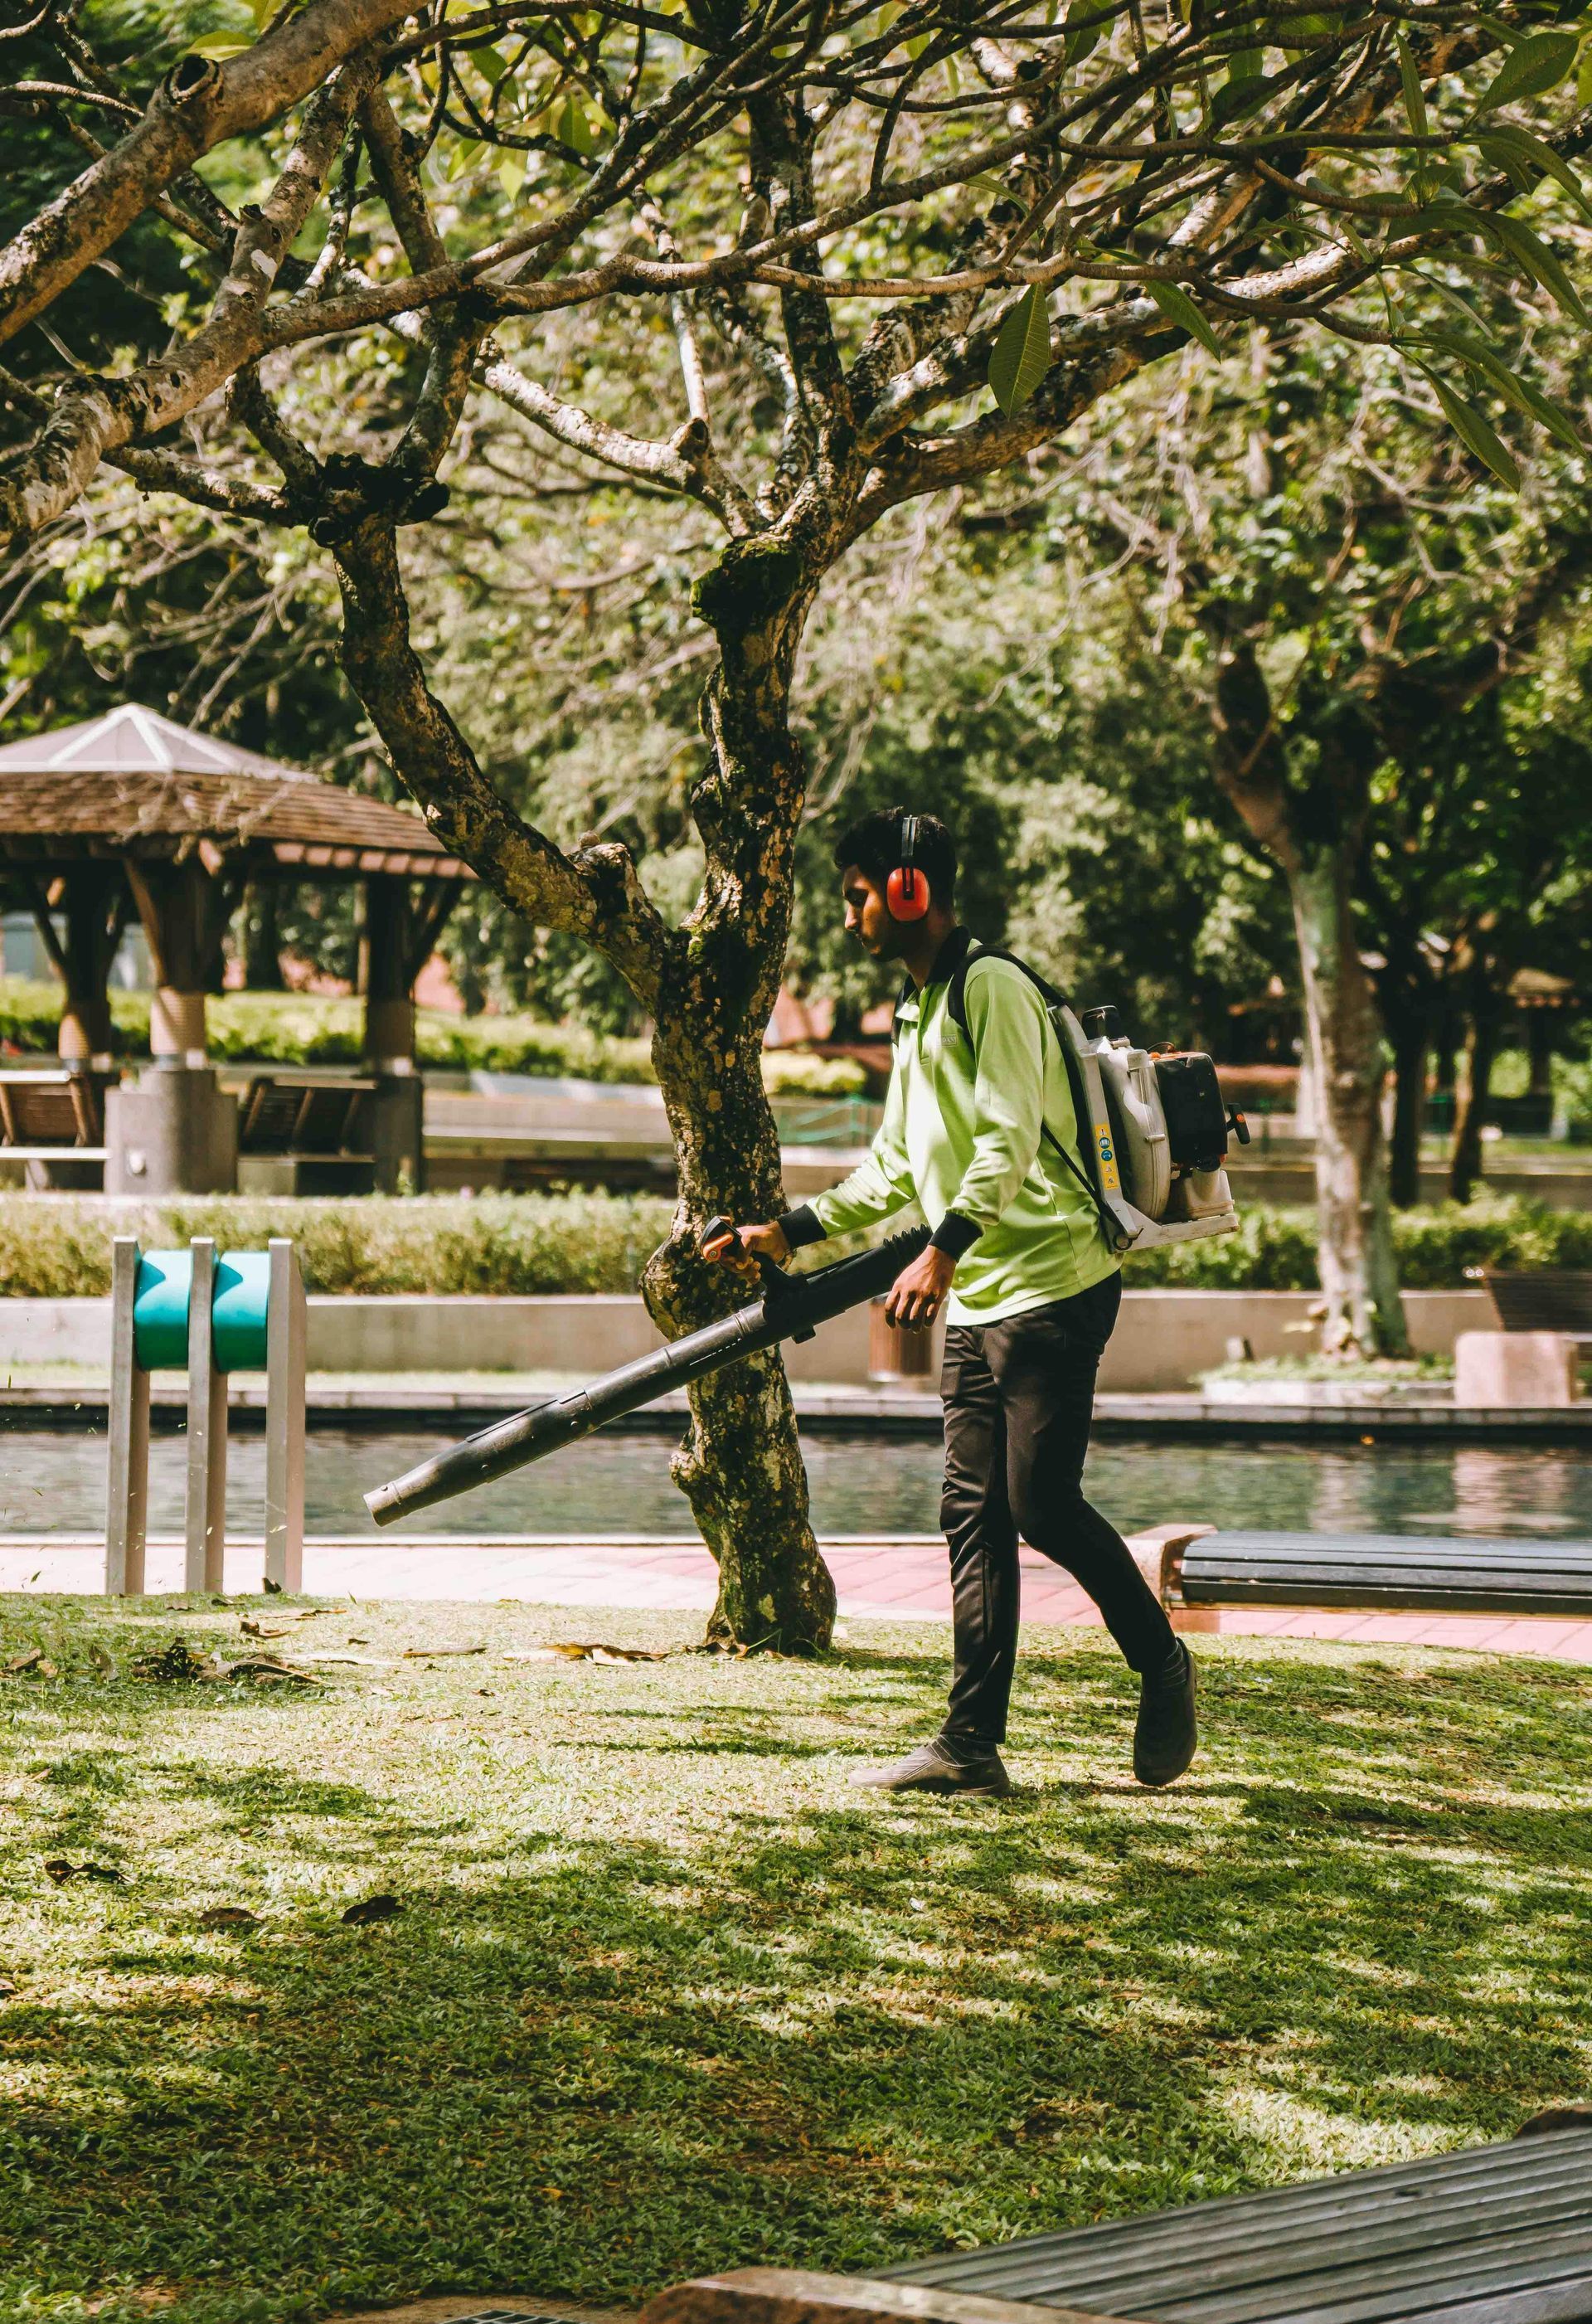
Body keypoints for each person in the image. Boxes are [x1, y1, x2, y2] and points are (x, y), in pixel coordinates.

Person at [707, 806, 1197, 1799]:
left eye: (855, 896)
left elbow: (1008, 1138)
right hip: (980, 1292)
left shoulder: (992, 991)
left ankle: (1163, 1666)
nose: (848, 918)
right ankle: (972, 1746)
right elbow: (897, 1161)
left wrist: (941, 1251)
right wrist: (789, 1229)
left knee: (1041, 1505)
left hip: (1056, 1281)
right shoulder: (918, 1008)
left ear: (907, 890)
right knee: (971, 1515)